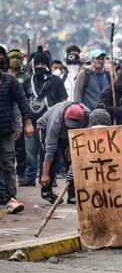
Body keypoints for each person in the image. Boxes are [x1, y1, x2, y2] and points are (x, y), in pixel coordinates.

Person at [20, 51, 68, 187]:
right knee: (30, 153)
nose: (41, 66)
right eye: (38, 64)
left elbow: (63, 100)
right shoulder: (27, 82)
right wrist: (25, 122)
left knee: (49, 153)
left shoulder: (56, 81)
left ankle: (49, 178)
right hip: (32, 123)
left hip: (51, 125)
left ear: (48, 65)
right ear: (33, 65)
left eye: (44, 64)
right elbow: (22, 103)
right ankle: (30, 176)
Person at [37, 102, 90, 204]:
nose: (71, 128)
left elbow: (85, 134)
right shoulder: (55, 121)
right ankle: (46, 190)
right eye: (69, 125)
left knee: (72, 158)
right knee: (52, 157)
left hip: (70, 135)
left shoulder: (87, 115)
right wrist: (45, 174)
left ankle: (72, 194)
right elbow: (50, 150)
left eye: (74, 126)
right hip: (46, 127)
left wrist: (72, 145)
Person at [0, 69, 34, 213]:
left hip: (6, 132)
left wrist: (27, 123)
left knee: (8, 164)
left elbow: (22, 102)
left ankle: (11, 198)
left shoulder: (10, 81)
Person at [7, 49, 30, 181]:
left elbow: (24, 99)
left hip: (20, 115)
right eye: (12, 57)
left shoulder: (25, 77)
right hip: (6, 115)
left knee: (20, 147)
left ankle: (21, 172)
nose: (15, 60)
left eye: (17, 57)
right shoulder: (4, 76)